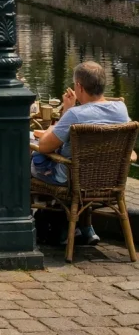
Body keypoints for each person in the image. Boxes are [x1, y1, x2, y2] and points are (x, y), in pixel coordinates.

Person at [32, 60, 130, 244]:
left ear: (79, 86)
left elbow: (45, 145)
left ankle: (28, 223)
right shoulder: (121, 110)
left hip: (72, 179)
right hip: (108, 178)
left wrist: (67, 109)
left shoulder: (75, 115)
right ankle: (83, 226)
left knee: (30, 158)